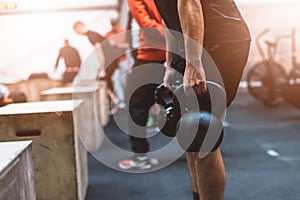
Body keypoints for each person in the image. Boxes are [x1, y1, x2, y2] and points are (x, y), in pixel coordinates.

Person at [153, 0, 251, 199]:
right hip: (191, 41)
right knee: (189, 128)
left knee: (203, 131)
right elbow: (168, 15)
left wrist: (194, 63)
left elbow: (189, 3)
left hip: (220, 41)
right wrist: (171, 64)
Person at [118, 0, 166, 170]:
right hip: (171, 55)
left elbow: (145, 23)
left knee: (136, 106)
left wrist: (169, 34)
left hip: (150, 56)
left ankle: (140, 157)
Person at [73, 21, 125, 109]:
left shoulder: (91, 36)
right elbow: (110, 43)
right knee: (106, 80)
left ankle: (117, 102)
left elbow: (100, 52)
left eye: (76, 30)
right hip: (112, 59)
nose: (77, 33)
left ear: (80, 27)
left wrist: (102, 68)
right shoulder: (93, 34)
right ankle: (116, 101)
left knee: (102, 80)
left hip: (110, 60)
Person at [105, 18, 129, 113]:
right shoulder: (108, 35)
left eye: (116, 24)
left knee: (124, 81)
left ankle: (126, 100)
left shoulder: (124, 32)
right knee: (115, 79)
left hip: (124, 60)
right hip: (114, 62)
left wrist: (117, 45)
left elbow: (129, 45)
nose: (115, 26)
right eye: (113, 24)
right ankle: (121, 101)